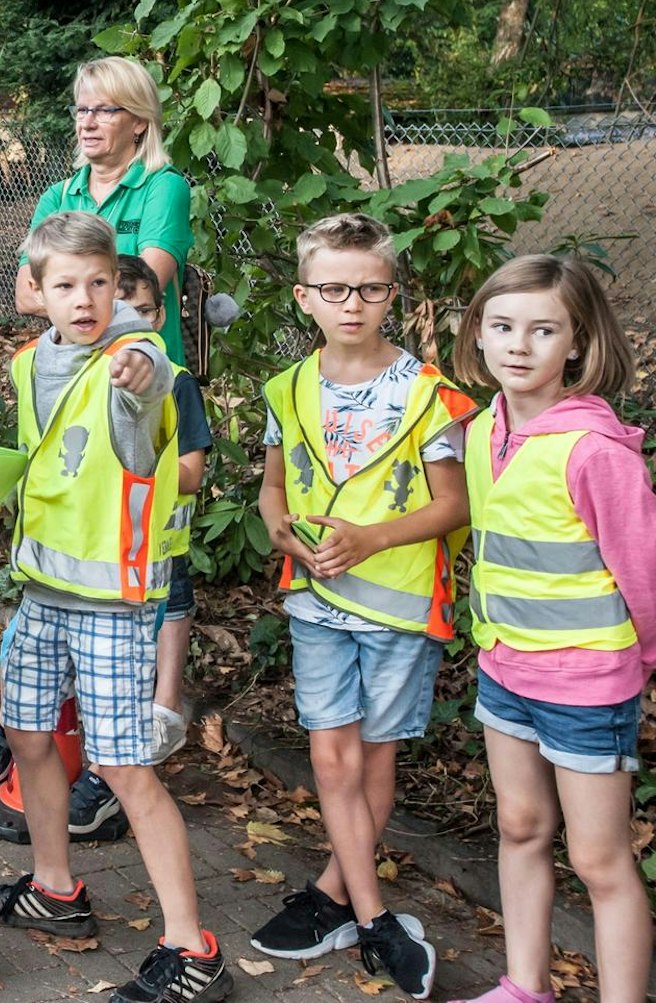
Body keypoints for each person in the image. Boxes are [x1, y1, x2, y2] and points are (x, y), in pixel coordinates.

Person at [0, 211, 231, 1003]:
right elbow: (48, 460)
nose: (86, 299)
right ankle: (54, 888)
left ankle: (193, 949)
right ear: (35, 291)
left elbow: (143, 382)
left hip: (113, 600)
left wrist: (144, 370)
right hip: (40, 591)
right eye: (66, 285)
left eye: (100, 283)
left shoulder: (135, 358)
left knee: (123, 765)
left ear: (120, 285)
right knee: (27, 735)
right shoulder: (25, 365)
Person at [250, 213, 476, 1000]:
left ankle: (335, 897)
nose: (353, 303)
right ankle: (373, 916)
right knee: (328, 757)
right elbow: (273, 487)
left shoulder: (429, 395)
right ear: (304, 296)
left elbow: (455, 505)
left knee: (372, 759)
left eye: (371, 287)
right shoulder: (288, 387)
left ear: (392, 294)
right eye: (335, 288)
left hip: (398, 607)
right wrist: (279, 529)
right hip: (316, 601)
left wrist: (374, 538)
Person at [447, 255, 654, 1003]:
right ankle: (523, 987)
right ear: (479, 331)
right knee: (522, 826)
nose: (518, 346)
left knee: (600, 861)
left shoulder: (595, 451)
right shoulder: (479, 432)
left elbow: (644, 574)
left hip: (587, 685)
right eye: (502, 326)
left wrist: (640, 662)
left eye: (542, 330)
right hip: (505, 672)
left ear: (577, 341)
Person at [15, 56, 193, 363]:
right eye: (82, 110)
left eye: (105, 110)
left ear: (139, 120)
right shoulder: (58, 197)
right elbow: (26, 295)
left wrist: (63, 294)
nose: (87, 123)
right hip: (71, 372)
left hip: (142, 371)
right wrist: (106, 299)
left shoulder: (163, 187)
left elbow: (142, 294)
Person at [119, 254, 206, 758]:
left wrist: (132, 467)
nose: (136, 324)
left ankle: (164, 716)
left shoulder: (177, 381)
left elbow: (192, 475)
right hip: (102, 547)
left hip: (159, 542)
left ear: (160, 316)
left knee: (171, 602)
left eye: (146, 312)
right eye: (122, 311)